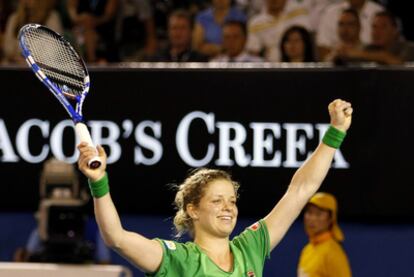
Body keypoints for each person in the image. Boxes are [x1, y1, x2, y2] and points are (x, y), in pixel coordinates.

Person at [77, 99, 353, 276]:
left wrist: (335, 133)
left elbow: (301, 189)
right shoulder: (178, 260)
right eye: (217, 201)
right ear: (193, 210)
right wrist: (99, 182)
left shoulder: (250, 248)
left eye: (231, 201)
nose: (228, 208)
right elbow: (116, 237)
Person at [298, 192, 352, 277]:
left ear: (330, 219)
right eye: (309, 212)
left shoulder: (333, 253)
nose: (312, 219)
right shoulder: (306, 250)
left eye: (318, 214)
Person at [316, 0, 383, 60]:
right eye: (341, 24)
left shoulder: (371, 51)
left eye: (350, 24)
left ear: (359, 27)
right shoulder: (335, 54)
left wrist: (357, 54)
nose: (345, 29)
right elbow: (323, 50)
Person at [246, 0, 311, 62]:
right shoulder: (255, 23)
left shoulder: (299, 13)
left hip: (299, 65)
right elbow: (253, 53)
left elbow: (308, 43)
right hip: (271, 67)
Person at [3, 0, 63, 64]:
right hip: (15, 65)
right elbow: (8, 49)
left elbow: (52, 53)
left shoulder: (52, 18)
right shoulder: (14, 19)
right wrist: (13, 56)